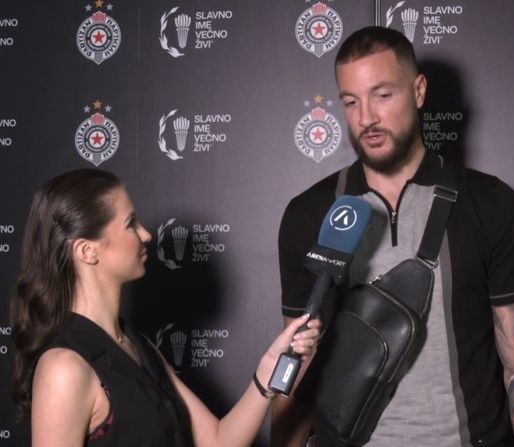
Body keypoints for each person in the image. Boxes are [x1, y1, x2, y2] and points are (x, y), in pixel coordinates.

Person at [272, 26, 514, 447]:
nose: (366, 117)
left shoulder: (490, 203)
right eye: (351, 101)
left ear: (419, 91)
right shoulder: (309, 213)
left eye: (383, 95)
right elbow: (296, 363)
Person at [10, 168, 321, 447]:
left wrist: (268, 370)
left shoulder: (137, 345)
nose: (146, 234)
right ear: (87, 250)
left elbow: (217, 441)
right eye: (130, 224)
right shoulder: (64, 368)